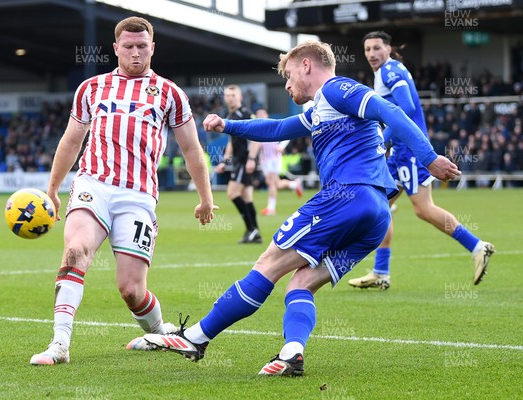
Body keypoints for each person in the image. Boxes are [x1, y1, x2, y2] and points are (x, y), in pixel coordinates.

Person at [140, 40, 459, 376]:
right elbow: (277, 129)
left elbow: (390, 110)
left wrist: (429, 158)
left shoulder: (337, 89)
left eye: (289, 75)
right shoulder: (322, 108)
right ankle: (292, 355)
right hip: (376, 214)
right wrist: (228, 126)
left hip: (345, 197)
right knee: (301, 283)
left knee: (268, 263)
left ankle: (196, 337)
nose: (288, 84)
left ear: (307, 65)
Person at [29, 16, 217, 365]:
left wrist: (205, 198)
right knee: (75, 252)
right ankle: (59, 344)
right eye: (127, 46)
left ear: (152, 48)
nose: (135, 52)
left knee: (131, 290)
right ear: (115, 48)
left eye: (141, 46)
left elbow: (192, 149)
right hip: (92, 184)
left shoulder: (170, 93)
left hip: (138, 196)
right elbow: (72, 140)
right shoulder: (91, 88)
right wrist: (52, 190)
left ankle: (161, 333)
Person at [348, 31, 494, 290]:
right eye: (367, 49)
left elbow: (406, 108)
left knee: (422, 208)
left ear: (389, 49)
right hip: (401, 151)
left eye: (377, 48)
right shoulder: (387, 71)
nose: (371, 54)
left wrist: (385, 139)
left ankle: (476, 246)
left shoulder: (390, 71)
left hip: (408, 150)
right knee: (380, 206)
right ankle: (381, 271)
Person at [214, 85, 262, 243]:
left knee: (232, 193)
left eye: (233, 95)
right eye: (227, 95)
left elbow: (257, 137)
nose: (230, 98)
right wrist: (224, 161)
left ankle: (252, 229)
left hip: (245, 160)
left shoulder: (246, 114)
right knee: (247, 197)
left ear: (240, 97)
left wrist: (252, 159)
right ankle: (255, 233)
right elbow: (231, 142)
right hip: (237, 161)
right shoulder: (230, 115)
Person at [254, 108, 303, 216]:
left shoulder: (272, 124)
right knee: (276, 184)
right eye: (258, 114)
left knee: (271, 183)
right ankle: (294, 184)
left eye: (262, 113)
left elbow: (287, 134)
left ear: (267, 115)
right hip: (265, 161)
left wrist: (281, 146)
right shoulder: (256, 128)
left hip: (274, 159)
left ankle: (271, 209)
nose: (261, 116)